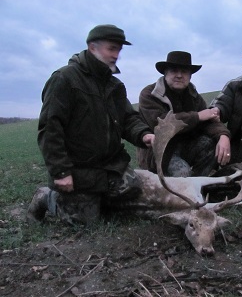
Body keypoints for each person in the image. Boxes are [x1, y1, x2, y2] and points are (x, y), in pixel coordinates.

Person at [26, 24, 155, 225]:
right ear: (92, 47)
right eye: (111, 49)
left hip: (110, 165)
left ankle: (95, 200)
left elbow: (128, 118)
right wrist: (61, 172)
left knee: (133, 188)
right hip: (78, 168)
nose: (116, 55)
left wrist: (144, 134)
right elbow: (50, 128)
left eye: (119, 50)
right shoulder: (65, 79)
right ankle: (46, 197)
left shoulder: (114, 85)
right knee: (86, 222)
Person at [137, 51, 231, 177]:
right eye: (174, 71)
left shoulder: (194, 96)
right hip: (161, 151)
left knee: (211, 145)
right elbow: (162, 124)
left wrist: (223, 136)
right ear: (165, 73)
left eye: (184, 72)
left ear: (190, 76)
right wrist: (197, 116)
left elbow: (209, 120)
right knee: (182, 173)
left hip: (185, 146)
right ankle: (177, 189)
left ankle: (198, 185)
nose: (179, 75)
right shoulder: (149, 94)